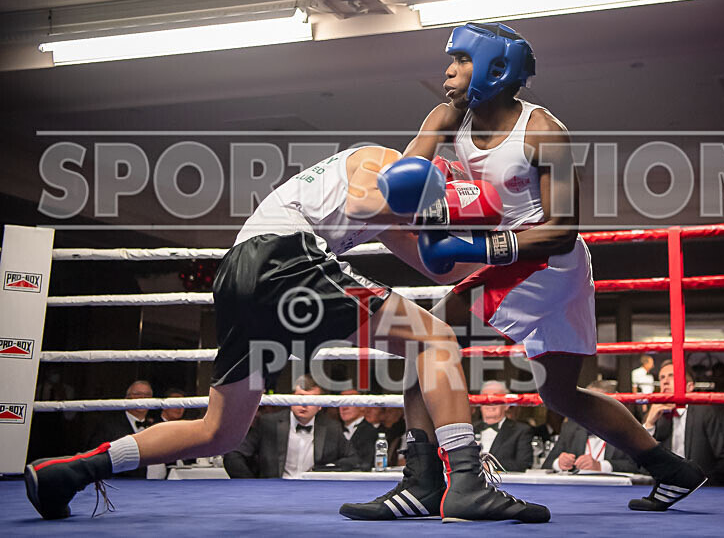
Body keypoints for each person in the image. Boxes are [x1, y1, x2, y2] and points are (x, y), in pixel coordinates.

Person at [25, 145, 548, 523]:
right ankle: (464, 482)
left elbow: (436, 266)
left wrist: (501, 248)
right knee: (435, 340)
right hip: (284, 258)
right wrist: (434, 204)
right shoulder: (379, 160)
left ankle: (71, 471)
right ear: (437, 176)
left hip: (240, 276)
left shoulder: (399, 209)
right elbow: (369, 203)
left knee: (220, 431)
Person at [347, 21, 706, 516]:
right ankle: (672, 469)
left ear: (497, 69)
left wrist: (468, 247)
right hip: (531, 262)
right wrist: (434, 189)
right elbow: (406, 182)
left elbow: (562, 228)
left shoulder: (542, 132)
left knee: (426, 341)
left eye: (461, 62)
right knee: (560, 393)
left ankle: (424, 483)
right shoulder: (448, 115)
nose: (448, 72)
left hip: (547, 262)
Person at [223, 375, 351, 478]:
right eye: (300, 398)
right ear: (290, 399)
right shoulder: (268, 423)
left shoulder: (332, 428)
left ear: (320, 405)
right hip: (273, 492)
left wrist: (327, 469)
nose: (304, 404)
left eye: (311, 399)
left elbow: (354, 459)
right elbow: (233, 455)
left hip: (315, 491)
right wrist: (251, 486)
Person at [644, 361, 724, 486]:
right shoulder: (655, 414)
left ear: (689, 387)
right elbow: (640, 460)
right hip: (664, 489)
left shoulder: (707, 412)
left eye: (672, 376)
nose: (665, 381)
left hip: (703, 491)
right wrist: (649, 425)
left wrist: (704, 483)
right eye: (662, 377)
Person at [544, 381, 640, 474]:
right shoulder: (571, 428)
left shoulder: (627, 430)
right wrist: (558, 463)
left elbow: (637, 467)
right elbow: (546, 464)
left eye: (597, 403)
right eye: (587, 403)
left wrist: (601, 466)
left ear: (613, 406)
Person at [84, 380, 154, 478]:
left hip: (156, 485)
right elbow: (96, 456)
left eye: (147, 395)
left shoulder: (156, 425)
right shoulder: (109, 425)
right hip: (120, 484)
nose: (142, 398)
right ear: (127, 398)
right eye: (137, 394)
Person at [474, 381, 534, 472]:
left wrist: (490, 466)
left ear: (507, 405)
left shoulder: (521, 431)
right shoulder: (469, 430)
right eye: (485, 398)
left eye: (496, 398)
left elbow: (524, 464)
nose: (490, 403)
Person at [338, 389, 379, 471]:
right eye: (341, 402)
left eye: (350, 402)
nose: (344, 407)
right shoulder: (333, 430)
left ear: (362, 406)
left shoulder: (370, 432)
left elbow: (365, 463)